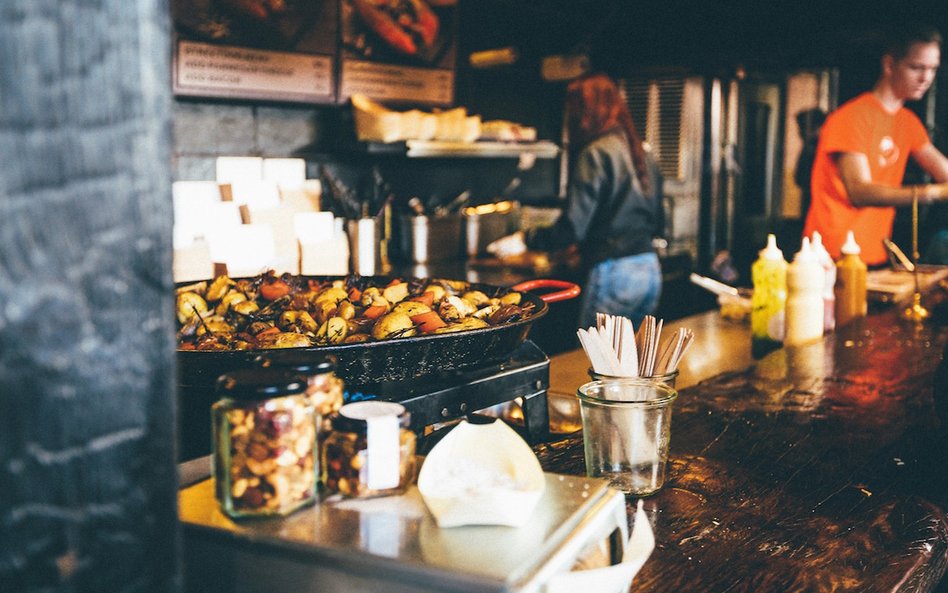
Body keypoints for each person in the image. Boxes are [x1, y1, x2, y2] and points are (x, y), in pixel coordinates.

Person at [488, 73, 664, 328]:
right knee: (631, 363)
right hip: (648, 269)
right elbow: (658, 219)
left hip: (613, 272)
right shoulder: (639, 149)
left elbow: (572, 228)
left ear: (586, 112)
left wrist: (525, 239)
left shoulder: (596, 152)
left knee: (597, 362)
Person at [803, 26, 948, 266]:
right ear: (889, 65)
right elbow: (859, 191)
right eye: (916, 68)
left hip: (875, 254)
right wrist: (931, 193)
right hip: (830, 256)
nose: (926, 78)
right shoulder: (851, 117)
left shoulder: (908, 122)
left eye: (932, 69)